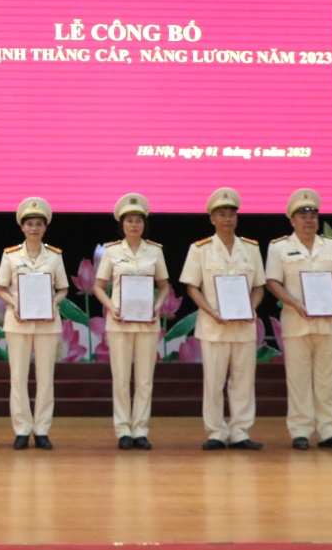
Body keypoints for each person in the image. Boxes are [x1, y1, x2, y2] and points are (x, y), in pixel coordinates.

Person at [264, 189, 332, 451]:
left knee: (328, 380)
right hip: (296, 323)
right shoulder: (279, 247)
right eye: (302, 215)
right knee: (298, 379)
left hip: (328, 323)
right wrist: (294, 303)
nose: (309, 219)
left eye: (313, 214)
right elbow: (272, 282)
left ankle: (329, 431)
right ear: (292, 220)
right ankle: (300, 431)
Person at [180, 187, 266, 451]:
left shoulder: (250, 248)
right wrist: (211, 311)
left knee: (243, 382)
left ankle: (240, 431)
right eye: (222, 214)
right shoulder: (200, 249)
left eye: (231, 214)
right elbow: (192, 287)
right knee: (214, 382)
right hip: (213, 327)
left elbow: (259, 286)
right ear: (212, 219)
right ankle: (216, 432)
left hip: (243, 326)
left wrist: (252, 307)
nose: (228, 219)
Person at [91, 193, 171, 450]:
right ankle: (123, 430)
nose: (134, 225)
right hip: (120, 322)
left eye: (138, 220)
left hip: (147, 323)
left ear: (144, 224)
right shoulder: (113, 251)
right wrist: (111, 307)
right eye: (129, 220)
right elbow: (98, 286)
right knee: (122, 378)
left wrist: (157, 306)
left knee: (145, 379)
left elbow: (164, 286)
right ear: (122, 225)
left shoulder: (155, 251)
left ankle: (141, 430)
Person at [0, 197, 69, 450]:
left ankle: (42, 430)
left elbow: (63, 288)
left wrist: (53, 303)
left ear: (45, 227)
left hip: (47, 322)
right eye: (29, 224)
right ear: (22, 227)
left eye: (39, 224)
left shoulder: (55, 256)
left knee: (45, 378)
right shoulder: (11, 255)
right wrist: (15, 303)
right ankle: (22, 430)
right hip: (18, 322)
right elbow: (1, 287)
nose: (34, 228)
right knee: (18, 377)